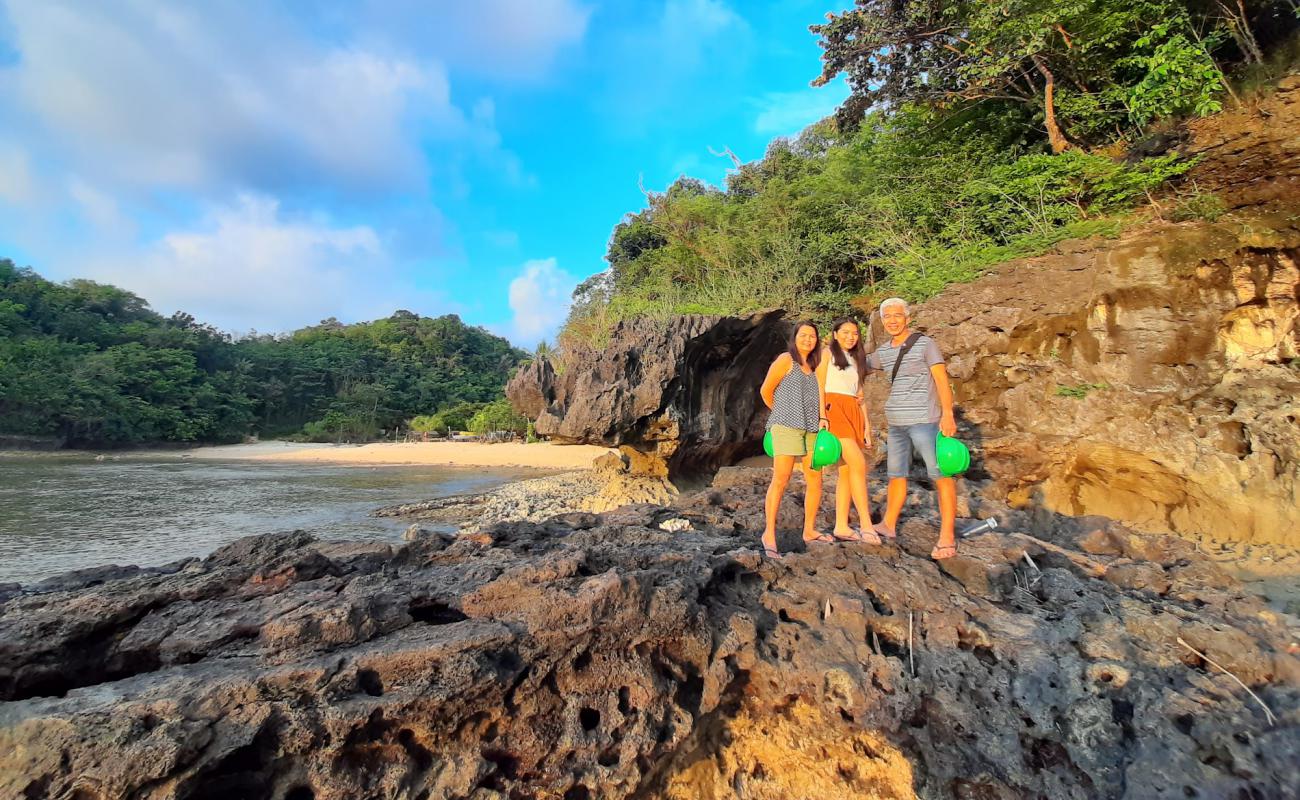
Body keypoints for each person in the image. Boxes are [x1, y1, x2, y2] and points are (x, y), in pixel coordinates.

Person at [866, 298, 960, 560]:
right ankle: (888, 524)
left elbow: (941, 380)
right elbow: (857, 365)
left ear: (907, 317)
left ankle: (947, 536)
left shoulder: (925, 344)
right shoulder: (884, 352)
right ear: (882, 321)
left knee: (940, 476)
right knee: (896, 475)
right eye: (887, 317)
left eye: (897, 315)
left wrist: (948, 414)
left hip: (926, 421)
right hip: (896, 424)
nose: (892, 321)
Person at [759, 321, 831, 558]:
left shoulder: (815, 365)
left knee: (815, 479)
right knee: (781, 478)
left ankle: (809, 530)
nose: (808, 340)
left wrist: (822, 418)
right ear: (795, 337)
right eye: (803, 335)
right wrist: (780, 412)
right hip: (786, 426)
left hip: (811, 427)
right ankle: (768, 533)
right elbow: (765, 391)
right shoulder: (785, 360)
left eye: (812, 336)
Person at [816, 317, 881, 545]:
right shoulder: (827, 354)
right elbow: (819, 385)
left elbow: (860, 395)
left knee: (846, 471)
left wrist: (867, 426)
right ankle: (866, 524)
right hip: (834, 410)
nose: (850, 337)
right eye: (845, 332)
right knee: (858, 464)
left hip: (853, 411)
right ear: (835, 334)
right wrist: (822, 415)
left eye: (854, 333)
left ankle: (841, 525)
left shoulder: (857, 359)